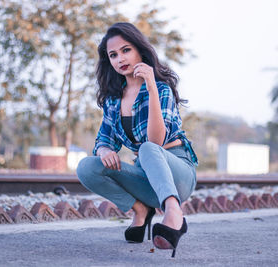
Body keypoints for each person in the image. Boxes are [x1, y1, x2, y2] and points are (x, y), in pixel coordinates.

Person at [76, 22, 198, 258]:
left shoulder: (160, 89)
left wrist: (151, 87)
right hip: (147, 180)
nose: (120, 58)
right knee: (86, 167)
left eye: (126, 50)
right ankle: (140, 209)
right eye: (113, 55)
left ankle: (174, 211)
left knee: (149, 149)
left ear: (140, 50)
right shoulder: (114, 99)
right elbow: (103, 139)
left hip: (177, 173)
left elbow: (157, 141)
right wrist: (103, 151)